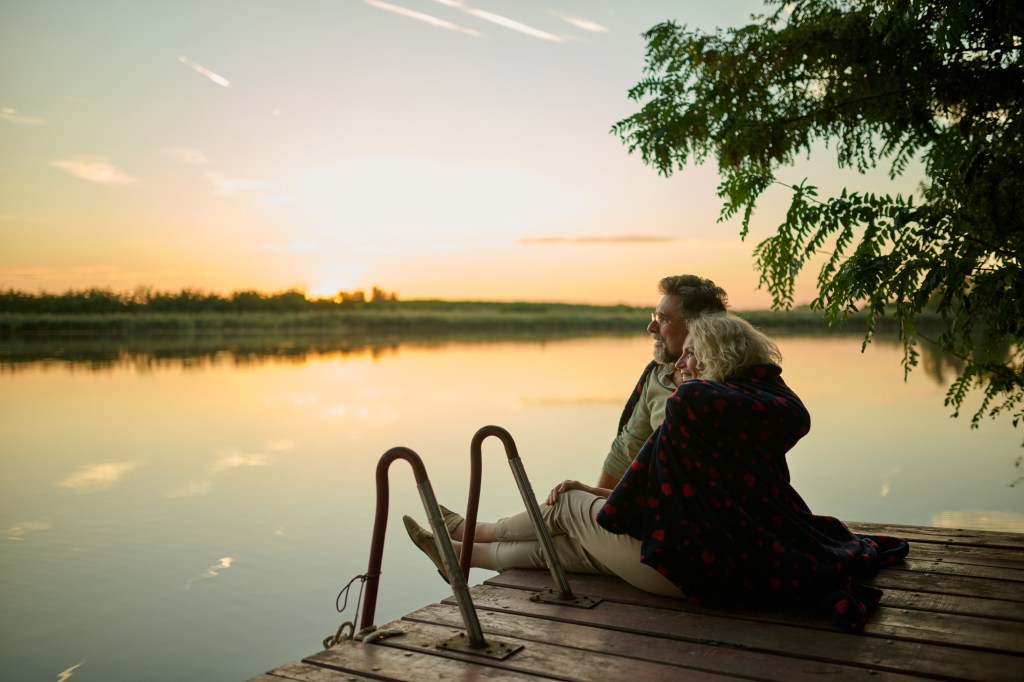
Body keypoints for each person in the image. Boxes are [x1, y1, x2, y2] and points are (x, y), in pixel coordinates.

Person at [404, 312, 909, 631]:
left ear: (714, 357)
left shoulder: (697, 402)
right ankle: (462, 557)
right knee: (572, 548)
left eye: (690, 355)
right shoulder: (767, 399)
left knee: (569, 506)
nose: (680, 365)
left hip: (690, 572)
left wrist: (593, 496)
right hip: (731, 561)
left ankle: (464, 531)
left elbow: (628, 501)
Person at [597, 275, 728, 490]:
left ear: (697, 328)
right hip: (651, 501)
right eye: (655, 317)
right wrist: (599, 500)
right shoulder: (658, 374)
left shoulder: (730, 384)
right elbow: (626, 451)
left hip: (686, 506)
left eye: (663, 319)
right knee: (562, 500)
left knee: (563, 503)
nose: (651, 327)